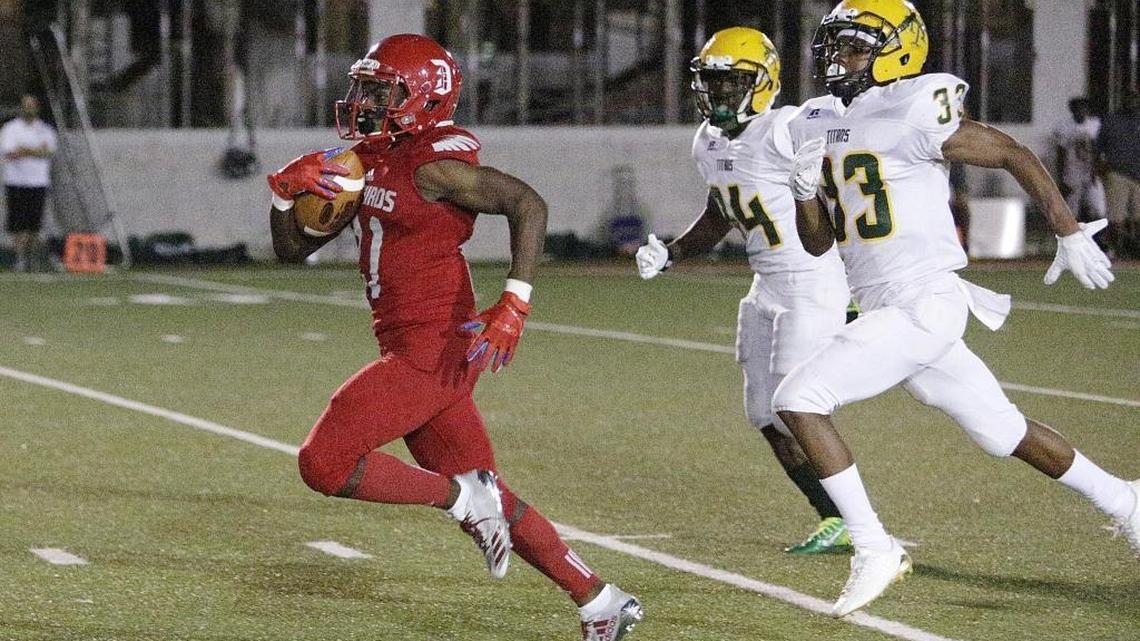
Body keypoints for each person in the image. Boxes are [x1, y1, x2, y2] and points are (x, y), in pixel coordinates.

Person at [266, 34, 642, 641]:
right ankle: (600, 600)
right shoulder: (368, 159)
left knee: (324, 463)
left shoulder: (433, 165)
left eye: (380, 90)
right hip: (422, 352)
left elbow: (527, 203)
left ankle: (460, 498)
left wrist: (515, 300)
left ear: (421, 98)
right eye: (363, 88)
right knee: (493, 498)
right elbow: (292, 251)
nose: (362, 101)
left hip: (428, 353)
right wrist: (285, 195)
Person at [776, 0, 1140, 618]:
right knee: (1002, 432)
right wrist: (805, 191)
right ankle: (1127, 501)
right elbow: (818, 243)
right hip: (885, 302)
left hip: (926, 301)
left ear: (898, 51)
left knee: (798, 399)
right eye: (837, 47)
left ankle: (874, 546)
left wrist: (1068, 229)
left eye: (856, 47)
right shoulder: (815, 121)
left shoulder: (918, 105)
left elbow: (1012, 154)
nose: (840, 59)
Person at [636, 27, 854, 556]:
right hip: (766, 285)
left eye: (731, 83)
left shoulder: (786, 127)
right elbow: (721, 212)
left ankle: (857, 519)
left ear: (762, 84)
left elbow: (843, 123)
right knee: (763, 412)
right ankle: (835, 518)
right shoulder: (708, 141)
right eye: (711, 82)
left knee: (796, 405)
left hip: (811, 282)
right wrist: (673, 252)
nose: (718, 94)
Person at [0, 94, 57, 272]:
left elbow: (48, 153)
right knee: (17, 223)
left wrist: (24, 149)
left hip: (38, 181)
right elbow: (10, 153)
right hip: (16, 181)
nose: (28, 109)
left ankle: (31, 257)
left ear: (37, 107)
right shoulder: (10, 129)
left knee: (34, 223)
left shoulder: (46, 130)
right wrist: (36, 150)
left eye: (32, 105)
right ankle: (19, 258)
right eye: (26, 105)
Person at [1096, 90, 1140, 256]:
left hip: (1138, 173)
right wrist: (1098, 168)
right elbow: (1098, 147)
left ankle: (1134, 249)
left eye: (1134, 99)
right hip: (1117, 172)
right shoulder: (1111, 120)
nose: (1131, 102)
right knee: (1116, 217)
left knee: (1137, 217)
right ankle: (1115, 249)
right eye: (1128, 98)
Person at [1052, 97, 1106, 224]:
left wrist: (1097, 169)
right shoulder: (1064, 127)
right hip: (1072, 171)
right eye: (1077, 108)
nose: (1081, 111)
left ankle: (1097, 237)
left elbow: (1100, 150)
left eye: (1084, 108)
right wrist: (1060, 178)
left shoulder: (1096, 124)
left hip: (1091, 171)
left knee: (1098, 207)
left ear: (1088, 110)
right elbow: (1060, 154)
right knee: (1072, 209)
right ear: (1072, 110)